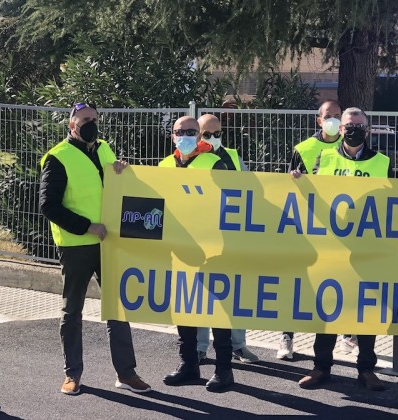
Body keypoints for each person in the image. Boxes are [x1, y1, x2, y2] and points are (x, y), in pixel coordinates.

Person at [40, 102, 150, 396]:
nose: (90, 123)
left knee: (118, 307)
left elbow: (113, 188)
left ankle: (126, 373)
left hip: (109, 243)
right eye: (84, 119)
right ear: (71, 125)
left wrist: (121, 172)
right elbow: (48, 206)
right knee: (72, 310)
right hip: (77, 244)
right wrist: (88, 226)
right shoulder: (57, 157)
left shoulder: (104, 149)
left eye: (94, 119)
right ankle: (72, 374)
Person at [291, 107, 388, 391]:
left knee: (365, 311)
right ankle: (321, 368)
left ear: (367, 130)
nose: (353, 130)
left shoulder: (382, 162)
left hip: (367, 248)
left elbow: (395, 202)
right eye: (349, 125)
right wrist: (298, 181)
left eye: (359, 125)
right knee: (328, 309)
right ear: (340, 129)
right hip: (331, 247)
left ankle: (367, 369)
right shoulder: (325, 158)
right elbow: (311, 195)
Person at [160, 116, 234, 392]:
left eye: (191, 132)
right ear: (172, 136)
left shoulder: (215, 162)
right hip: (179, 249)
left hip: (215, 249)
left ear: (200, 135)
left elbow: (236, 200)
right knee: (184, 308)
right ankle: (188, 364)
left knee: (218, 310)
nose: (186, 136)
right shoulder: (165, 165)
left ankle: (224, 370)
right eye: (180, 132)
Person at [278, 99, 343, 360]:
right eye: (329, 116)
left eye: (338, 115)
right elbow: (288, 188)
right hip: (306, 227)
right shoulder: (303, 148)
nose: (334, 120)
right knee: (297, 283)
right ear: (319, 120)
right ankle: (286, 337)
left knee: (335, 284)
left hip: (339, 229)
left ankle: (341, 339)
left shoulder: (349, 146)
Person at [195, 114, 259, 364]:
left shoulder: (232, 156)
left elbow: (251, 188)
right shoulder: (191, 158)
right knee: (201, 295)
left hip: (232, 236)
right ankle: (200, 347)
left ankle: (238, 345)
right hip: (202, 238)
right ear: (198, 135)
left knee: (236, 294)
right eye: (207, 134)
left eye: (218, 133)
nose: (214, 138)